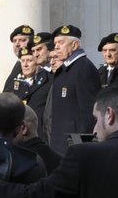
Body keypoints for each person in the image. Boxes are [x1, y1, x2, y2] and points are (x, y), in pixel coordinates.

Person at [42, 24, 101, 153]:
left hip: (73, 147)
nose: (56, 46)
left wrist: (81, 148)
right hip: (59, 144)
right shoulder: (67, 69)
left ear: (74, 45)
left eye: (61, 43)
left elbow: (88, 113)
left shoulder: (83, 68)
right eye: (55, 43)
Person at [9, 45, 51, 123]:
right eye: (22, 61)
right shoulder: (14, 83)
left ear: (37, 62)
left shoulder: (48, 80)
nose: (25, 65)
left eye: (29, 60)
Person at [1, 24, 35, 94]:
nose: (17, 44)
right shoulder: (18, 64)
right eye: (14, 41)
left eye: (22, 40)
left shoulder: (36, 65)